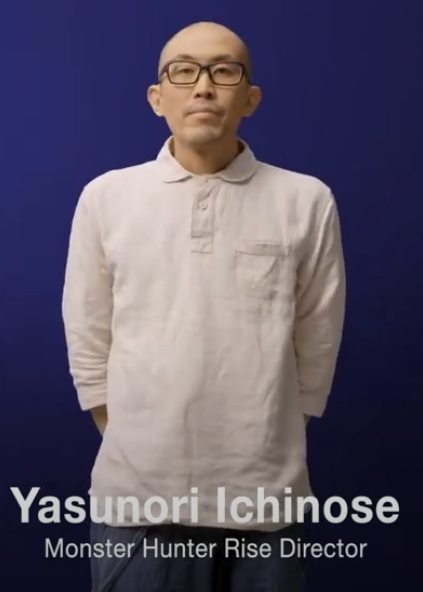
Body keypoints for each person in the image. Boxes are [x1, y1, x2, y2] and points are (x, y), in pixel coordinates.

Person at [62, 20, 346, 592]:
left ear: (251, 98)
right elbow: (88, 334)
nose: (203, 87)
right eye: (183, 71)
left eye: (224, 71)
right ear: (156, 97)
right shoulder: (107, 197)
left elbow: (317, 336)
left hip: (265, 497)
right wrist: (131, 437)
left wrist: (271, 435)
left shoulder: (305, 200)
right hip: (138, 499)